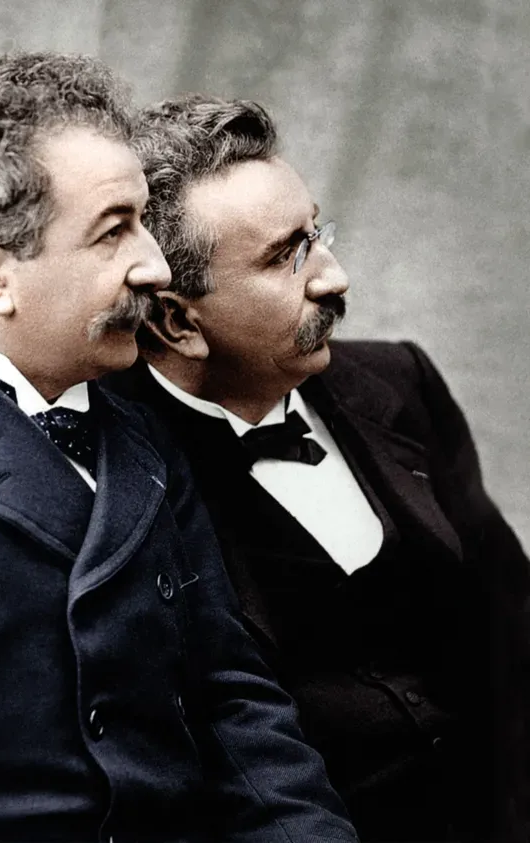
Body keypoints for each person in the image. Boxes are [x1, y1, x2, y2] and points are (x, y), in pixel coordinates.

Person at [0, 54, 359, 843]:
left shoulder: (139, 428)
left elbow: (236, 708)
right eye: (114, 231)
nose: (155, 264)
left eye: (145, 220)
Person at [104, 94, 530, 843]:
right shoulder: (116, 476)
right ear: (176, 320)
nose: (334, 278)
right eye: (285, 257)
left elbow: (512, 614)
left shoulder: (399, 381)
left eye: (316, 234)